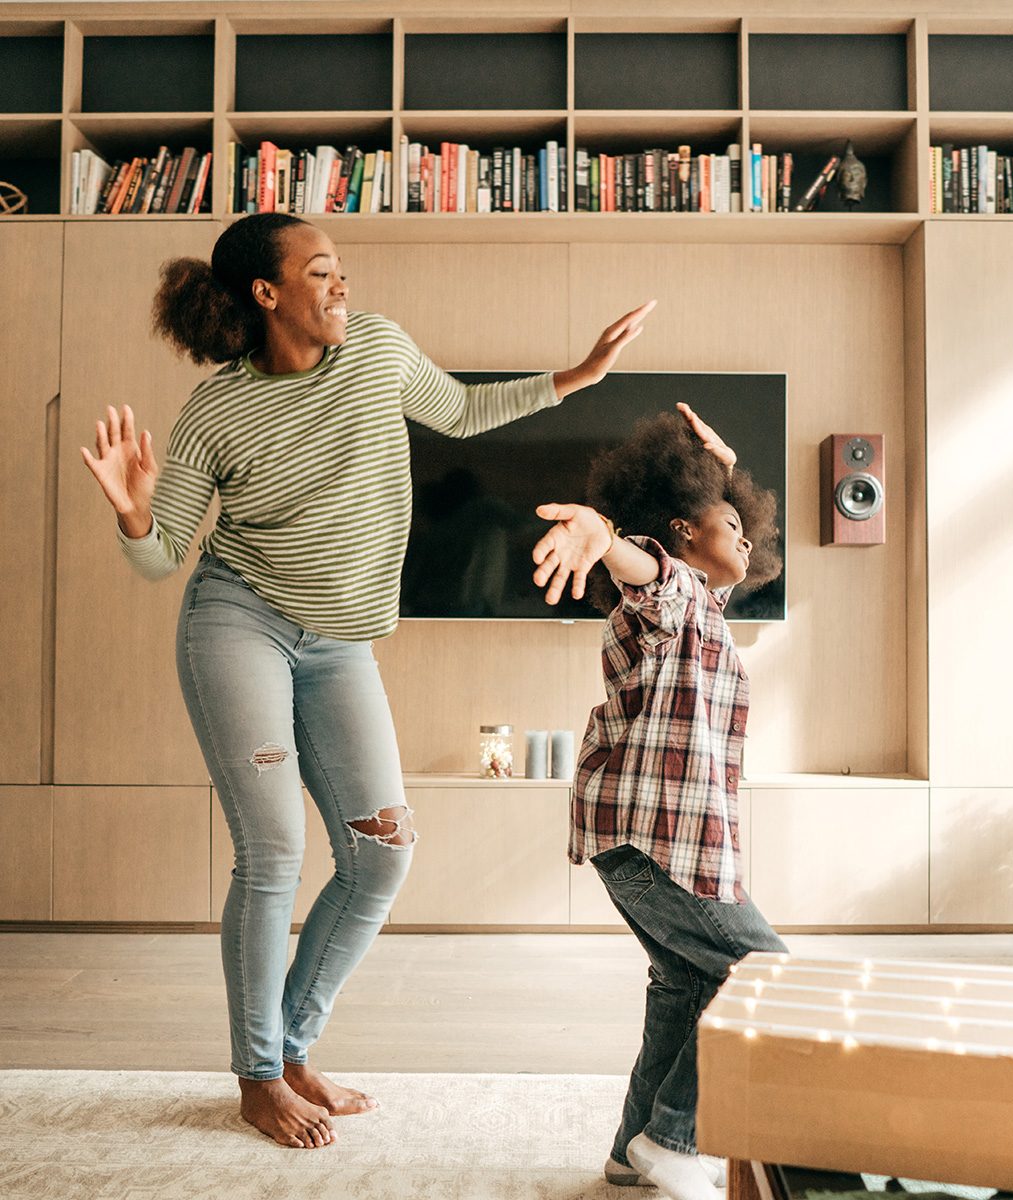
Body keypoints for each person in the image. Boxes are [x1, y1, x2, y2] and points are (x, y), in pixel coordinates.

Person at [80, 211, 654, 1149]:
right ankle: (258, 1076)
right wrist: (139, 517)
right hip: (241, 623)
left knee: (381, 855)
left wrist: (576, 376)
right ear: (267, 295)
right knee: (271, 853)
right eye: (320, 271)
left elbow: (462, 410)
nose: (341, 284)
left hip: (342, 643)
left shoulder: (378, 350)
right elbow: (163, 558)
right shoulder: (215, 411)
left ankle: (293, 1048)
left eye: (341, 270)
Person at [530, 402, 785, 1200]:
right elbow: (639, 563)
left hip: (645, 842)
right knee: (764, 972)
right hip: (653, 844)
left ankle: (628, 1153)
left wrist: (730, 468)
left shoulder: (707, 611)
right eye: (728, 521)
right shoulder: (664, 599)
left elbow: (721, 542)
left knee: (686, 984)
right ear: (679, 531)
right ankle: (675, 1138)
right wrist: (602, 538)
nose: (746, 535)